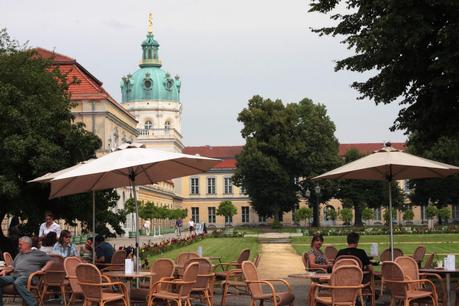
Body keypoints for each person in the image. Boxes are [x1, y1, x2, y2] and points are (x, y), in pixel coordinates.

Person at [0, 236, 53, 306]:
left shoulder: (38, 253)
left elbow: (51, 260)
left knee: (18, 282)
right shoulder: (19, 254)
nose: (19, 246)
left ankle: (33, 304)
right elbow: (12, 266)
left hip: (28, 276)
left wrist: (43, 270)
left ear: (27, 244)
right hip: (15, 275)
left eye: (20, 244)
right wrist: (5, 270)